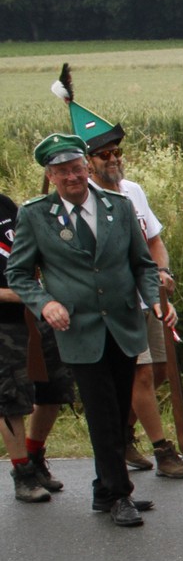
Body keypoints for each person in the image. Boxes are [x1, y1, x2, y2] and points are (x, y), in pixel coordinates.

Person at [6, 133, 166, 528]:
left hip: (123, 323)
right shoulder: (36, 215)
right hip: (78, 328)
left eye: (77, 168)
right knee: (101, 411)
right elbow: (19, 274)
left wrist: (155, 299)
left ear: (87, 167)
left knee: (118, 407)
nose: (72, 177)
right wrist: (46, 303)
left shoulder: (119, 206)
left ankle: (104, 489)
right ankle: (119, 493)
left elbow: (143, 264)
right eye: (62, 171)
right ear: (51, 175)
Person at [68, 97, 183, 481]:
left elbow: (153, 241)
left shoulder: (133, 191)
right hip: (118, 302)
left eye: (116, 152)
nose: (113, 159)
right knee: (140, 375)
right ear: (87, 162)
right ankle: (163, 449)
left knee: (160, 370)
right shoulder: (82, 201)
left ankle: (121, 432)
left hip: (148, 297)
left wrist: (162, 271)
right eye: (104, 154)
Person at [0, 191, 76, 503]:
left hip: (38, 312)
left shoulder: (5, 204)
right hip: (4, 324)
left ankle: (34, 455)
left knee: (56, 387)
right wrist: (19, 294)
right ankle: (23, 473)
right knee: (10, 400)